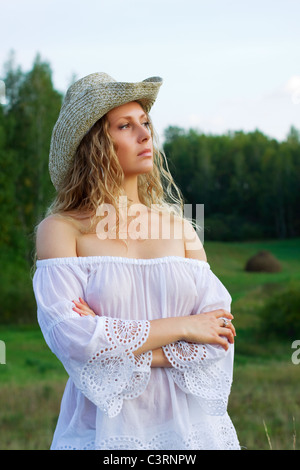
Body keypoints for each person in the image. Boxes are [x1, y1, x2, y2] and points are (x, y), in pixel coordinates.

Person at [32, 72, 240, 450]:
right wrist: (185, 325)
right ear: (94, 144)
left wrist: (113, 346)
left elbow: (218, 336)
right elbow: (72, 337)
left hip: (195, 435)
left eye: (145, 123)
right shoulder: (62, 229)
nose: (145, 135)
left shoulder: (181, 229)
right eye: (125, 126)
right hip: (102, 435)